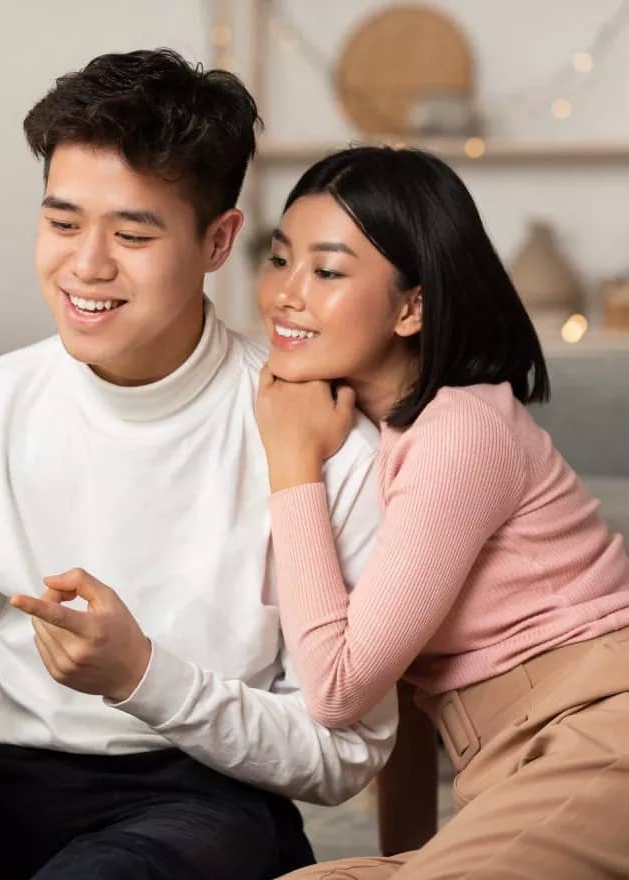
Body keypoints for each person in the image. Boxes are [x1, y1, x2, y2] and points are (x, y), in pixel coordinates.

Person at [0, 53, 397, 880]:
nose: (86, 265)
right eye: (61, 223)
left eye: (131, 233)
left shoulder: (321, 438)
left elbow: (343, 755)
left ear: (218, 240)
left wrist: (143, 676)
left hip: (207, 803)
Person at [254, 145, 629, 879]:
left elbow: (337, 690)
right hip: (515, 767)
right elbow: (401, 699)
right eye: (279, 259)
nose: (285, 295)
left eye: (326, 271)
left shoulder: (459, 430)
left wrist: (290, 465)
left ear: (411, 306)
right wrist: (404, 858)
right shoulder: (362, 437)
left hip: (601, 728)